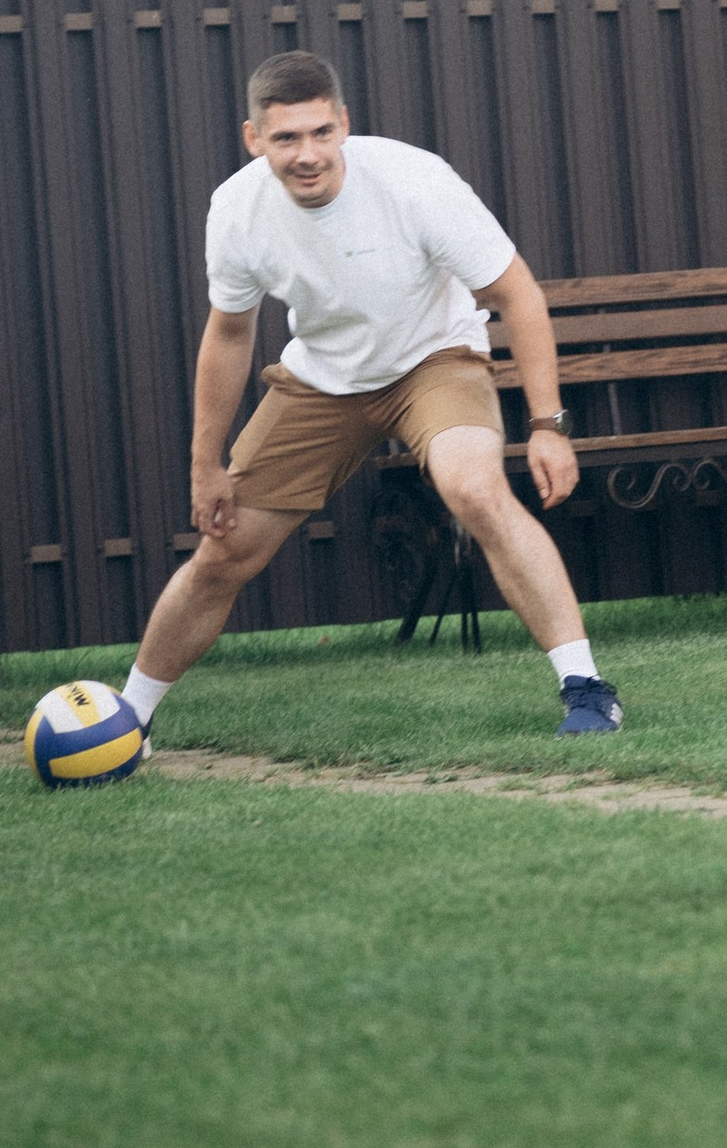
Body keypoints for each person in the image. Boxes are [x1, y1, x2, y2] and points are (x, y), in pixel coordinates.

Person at [115, 50, 621, 750]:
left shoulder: (415, 183)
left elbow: (517, 294)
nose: (308, 154)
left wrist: (546, 425)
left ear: (344, 123)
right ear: (254, 137)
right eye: (287, 137)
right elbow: (229, 334)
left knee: (473, 490)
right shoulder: (236, 211)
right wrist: (207, 464)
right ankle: (123, 719)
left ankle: (587, 688)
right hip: (322, 379)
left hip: (433, 358)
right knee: (224, 551)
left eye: (322, 132)